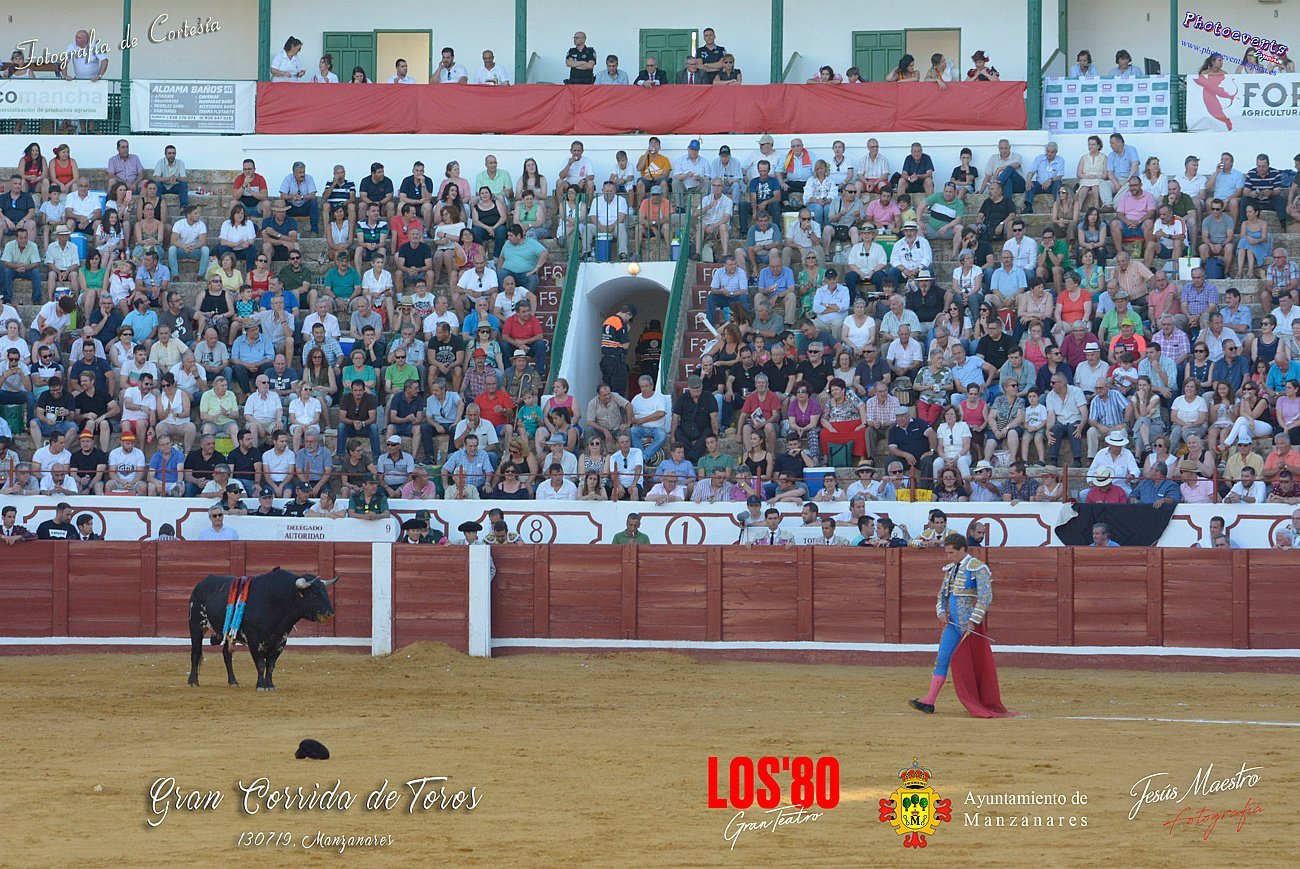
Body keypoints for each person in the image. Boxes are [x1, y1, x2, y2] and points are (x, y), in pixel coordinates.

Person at [910, 534, 994, 715]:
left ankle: (981, 701)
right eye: (947, 553)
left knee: (972, 666)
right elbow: (942, 595)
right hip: (953, 624)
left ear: (962, 549)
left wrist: (973, 621)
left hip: (968, 626)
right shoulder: (951, 569)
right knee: (942, 659)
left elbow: (986, 597)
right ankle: (929, 701)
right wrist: (941, 612)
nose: (948, 557)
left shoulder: (978, 568)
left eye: (951, 553)